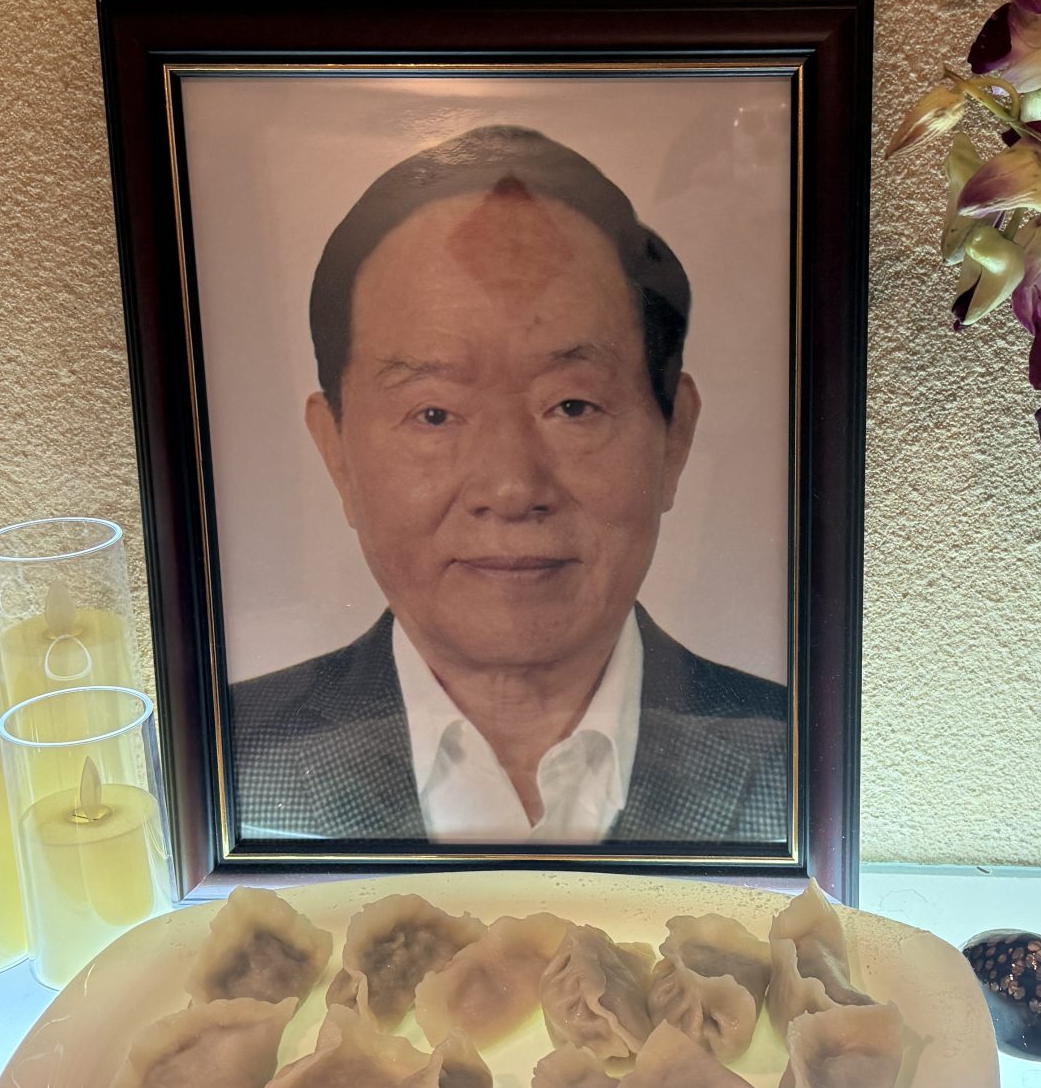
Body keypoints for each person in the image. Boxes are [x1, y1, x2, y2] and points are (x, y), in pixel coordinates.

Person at [229, 125, 790, 846]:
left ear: (674, 438)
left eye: (573, 406)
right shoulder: (220, 764)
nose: (512, 487)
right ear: (336, 451)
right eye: (434, 414)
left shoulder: (802, 760)